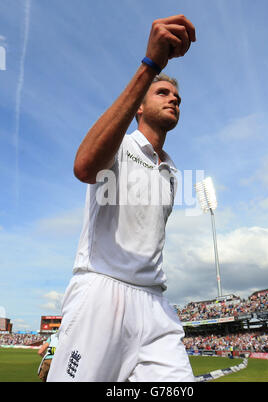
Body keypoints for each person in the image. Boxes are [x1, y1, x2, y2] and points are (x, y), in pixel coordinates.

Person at [47, 15, 196, 382]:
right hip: (102, 294)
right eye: (163, 93)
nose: (173, 99)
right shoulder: (120, 143)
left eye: (177, 97)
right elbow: (83, 167)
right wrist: (151, 66)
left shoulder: (173, 172)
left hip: (155, 305)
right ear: (139, 109)